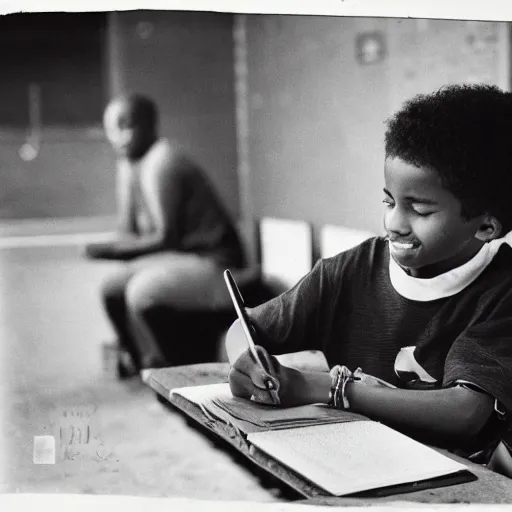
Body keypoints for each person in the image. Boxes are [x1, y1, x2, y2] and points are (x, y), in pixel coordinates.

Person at [225, 84, 512, 466]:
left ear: (485, 227)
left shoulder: (501, 290)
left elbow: (464, 411)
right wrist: (248, 365)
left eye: (421, 211)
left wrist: (332, 389)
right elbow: (243, 330)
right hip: (353, 465)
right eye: (389, 201)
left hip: (459, 481)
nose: (394, 223)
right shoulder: (347, 272)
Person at [85, 93, 245, 376]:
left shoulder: (163, 160)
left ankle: (172, 370)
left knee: (141, 291)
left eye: (127, 125)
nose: (120, 137)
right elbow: (129, 231)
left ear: (149, 125)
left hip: (215, 262)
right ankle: (141, 362)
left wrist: (108, 251)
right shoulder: (131, 164)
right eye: (112, 128)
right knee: (112, 286)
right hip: (179, 257)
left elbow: (165, 237)